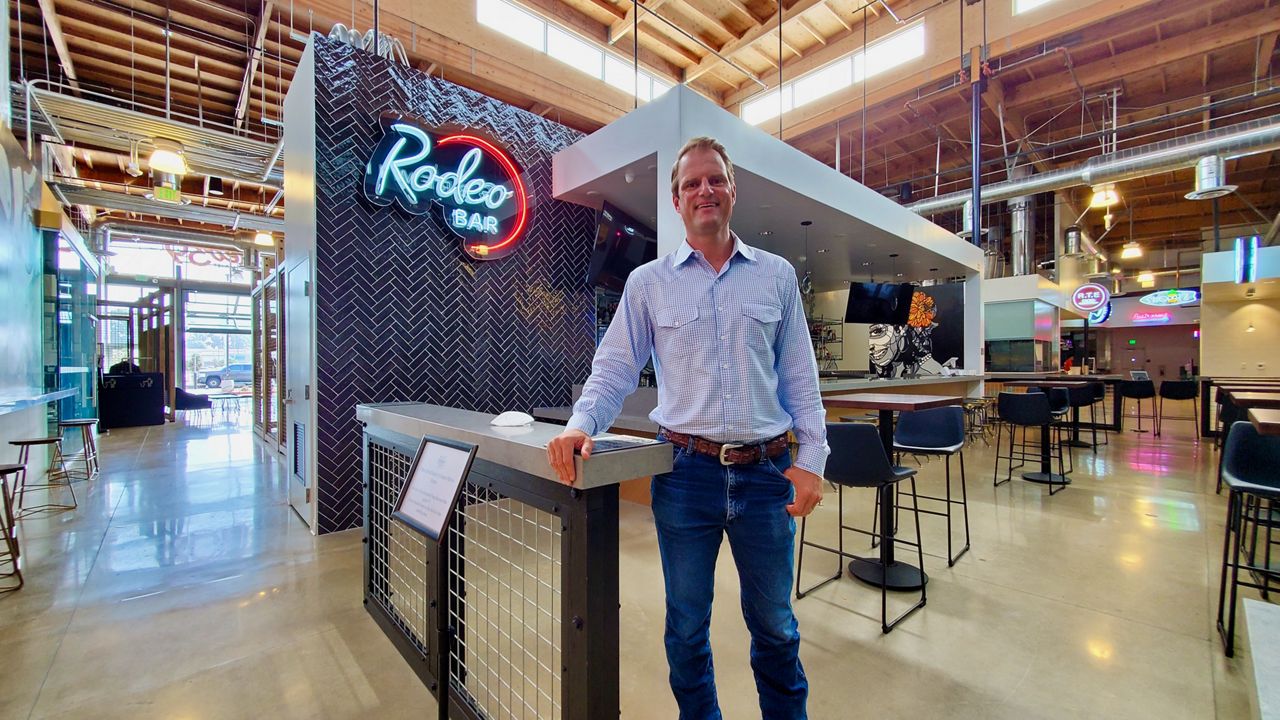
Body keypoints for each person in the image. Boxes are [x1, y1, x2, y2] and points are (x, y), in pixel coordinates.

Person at [546, 137, 826, 720]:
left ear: (732, 189)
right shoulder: (648, 283)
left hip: (768, 475)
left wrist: (812, 459)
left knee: (775, 626)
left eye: (715, 179)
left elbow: (800, 375)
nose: (705, 190)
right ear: (676, 201)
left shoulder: (776, 277)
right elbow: (616, 367)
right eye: (691, 183)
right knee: (686, 628)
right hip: (686, 474)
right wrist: (580, 424)